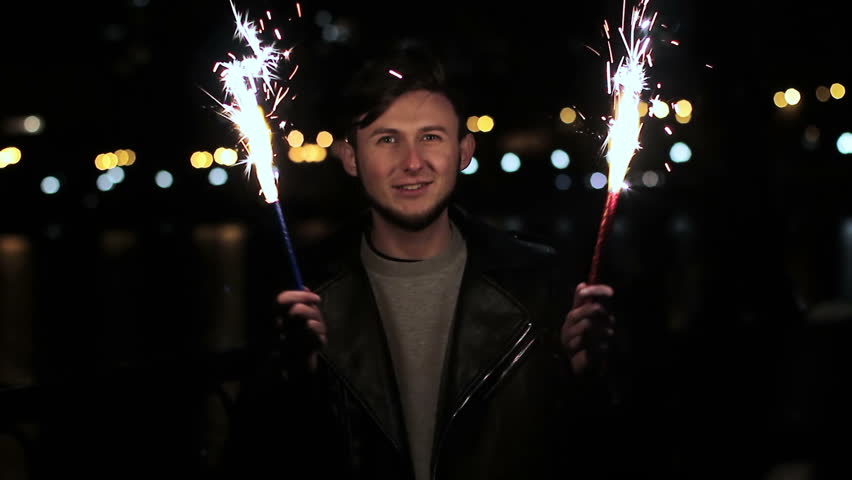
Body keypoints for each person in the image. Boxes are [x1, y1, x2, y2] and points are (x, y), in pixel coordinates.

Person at [222, 41, 618, 480]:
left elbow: (587, 449)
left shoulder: (540, 282)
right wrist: (288, 380)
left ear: (464, 151)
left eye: (430, 137)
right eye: (387, 139)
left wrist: (587, 378)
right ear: (351, 157)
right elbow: (253, 454)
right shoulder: (300, 292)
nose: (412, 162)